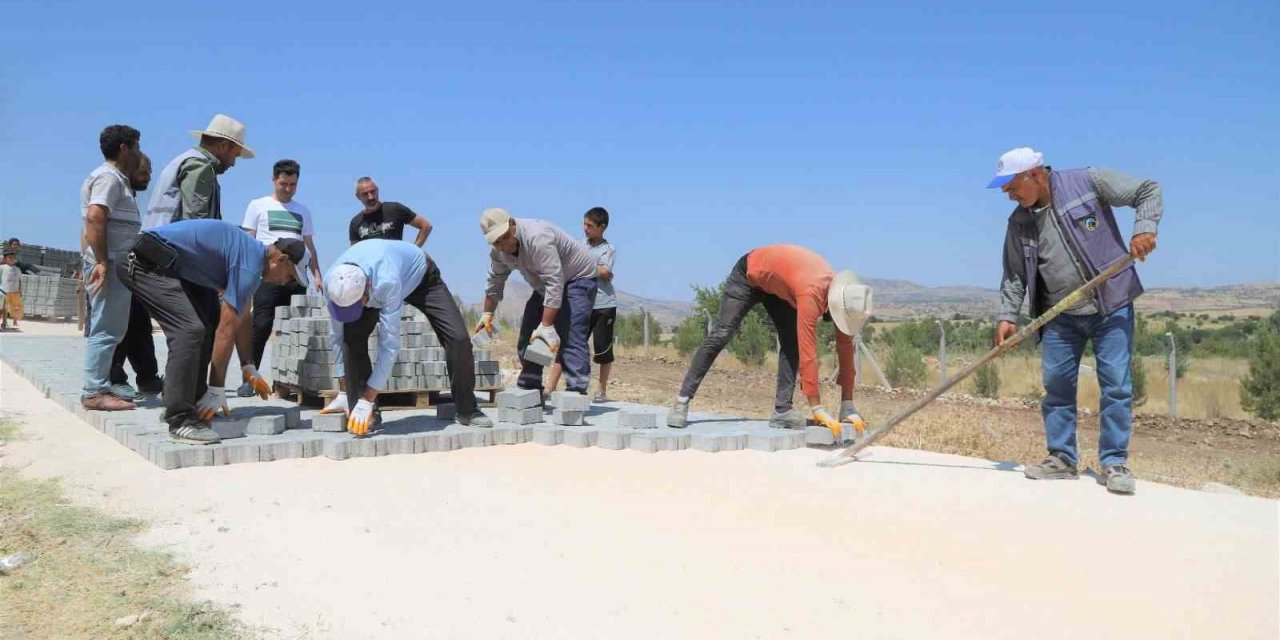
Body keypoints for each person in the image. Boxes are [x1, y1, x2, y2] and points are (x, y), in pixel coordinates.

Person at [988, 147, 1161, 496]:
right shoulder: (1019, 222)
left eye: (1013, 187)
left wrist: (1144, 229)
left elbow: (1148, 189)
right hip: (1059, 316)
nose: (1010, 195)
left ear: (1035, 174)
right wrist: (1008, 315)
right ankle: (1062, 459)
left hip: (1111, 305)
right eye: (1006, 191)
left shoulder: (1087, 182)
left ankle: (1114, 462)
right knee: (1057, 389)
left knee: (1116, 386)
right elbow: (1014, 275)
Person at [117, 219, 306, 444]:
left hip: (167, 265)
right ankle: (180, 419)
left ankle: (194, 403)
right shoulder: (249, 264)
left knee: (206, 324)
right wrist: (217, 389)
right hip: (142, 261)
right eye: (290, 276)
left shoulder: (251, 259)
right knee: (189, 330)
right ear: (280, 260)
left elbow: (242, 317)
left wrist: (248, 366)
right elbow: (226, 331)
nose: (286, 283)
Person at [666, 245, 872, 440]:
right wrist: (816, 408)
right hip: (749, 274)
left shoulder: (845, 298)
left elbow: (845, 349)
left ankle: (782, 412)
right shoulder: (811, 293)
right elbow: (808, 351)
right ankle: (682, 401)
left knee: (789, 344)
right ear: (834, 303)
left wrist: (848, 403)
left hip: (781, 287)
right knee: (721, 334)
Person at [322, 240, 493, 434]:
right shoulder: (332, 283)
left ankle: (467, 410)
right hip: (377, 284)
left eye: (356, 305)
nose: (354, 310)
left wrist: (368, 397)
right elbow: (336, 334)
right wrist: (344, 388)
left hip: (421, 277)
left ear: (367, 287)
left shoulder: (387, 281)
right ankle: (364, 415)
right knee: (350, 339)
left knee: (459, 339)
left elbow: (389, 346)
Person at [477, 208, 599, 396]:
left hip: (578, 278)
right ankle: (530, 386)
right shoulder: (498, 253)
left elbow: (555, 281)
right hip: (546, 284)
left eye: (503, 237)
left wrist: (547, 325)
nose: (502, 245)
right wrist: (487, 314)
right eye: (495, 242)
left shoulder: (538, 237)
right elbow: (495, 282)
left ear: (512, 225)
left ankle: (576, 394)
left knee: (570, 332)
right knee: (530, 331)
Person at [237, 159, 323, 397]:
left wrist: (317, 274)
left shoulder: (303, 211)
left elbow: (309, 246)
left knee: (294, 329)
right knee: (262, 324)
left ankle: (288, 380)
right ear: (273, 180)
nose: (288, 189)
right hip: (268, 275)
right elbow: (248, 241)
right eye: (283, 183)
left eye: (293, 184)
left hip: (297, 277)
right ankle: (249, 378)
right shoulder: (258, 206)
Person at [80, 124, 144, 411]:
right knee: (106, 329)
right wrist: (104, 261)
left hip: (115, 263)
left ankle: (98, 387)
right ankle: (94, 392)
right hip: (110, 264)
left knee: (109, 328)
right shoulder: (109, 178)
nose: (140, 154)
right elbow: (95, 218)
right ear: (124, 148)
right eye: (137, 147)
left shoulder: (114, 178)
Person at [546, 207, 617, 401]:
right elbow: (599, 271)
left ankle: (601, 391)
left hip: (602, 305)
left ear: (602, 228)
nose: (585, 229)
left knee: (603, 349)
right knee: (569, 344)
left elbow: (605, 272)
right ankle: (549, 388)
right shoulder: (578, 245)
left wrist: (585, 267)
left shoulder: (608, 249)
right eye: (584, 224)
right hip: (579, 303)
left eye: (590, 226)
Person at [109, 153, 163, 400]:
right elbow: (91, 224)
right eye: (145, 171)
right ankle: (114, 379)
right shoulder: (113, 189)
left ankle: (148, 379)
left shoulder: (130, 197)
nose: (149, 176)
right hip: (112, 270)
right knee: (116, 328)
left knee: (140, 326)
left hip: (132, 271)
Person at [144, 114, 253, 229]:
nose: (233, 163)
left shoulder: (187, 160)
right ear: (224, 146)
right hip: (169, 245)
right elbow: (196, 224)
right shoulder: (200, 166)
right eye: (234, 155)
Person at [347, 177, 432, 245]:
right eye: (365, 194)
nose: (371, 197)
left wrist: (414, 251)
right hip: (371, 266)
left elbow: (426, 226)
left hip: (395, 264)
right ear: (358, 196)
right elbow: (354, 251)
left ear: (377, 190)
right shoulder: (356, 222)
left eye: (373, 192)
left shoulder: (395, 209)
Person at [0, 252, 20, 330]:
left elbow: (18, 281)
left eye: (13, 258)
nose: (12, 259)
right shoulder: (2, 267)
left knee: (4, 308)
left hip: (8, 292)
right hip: (2, 291)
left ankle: (4, 323)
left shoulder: (16, 269)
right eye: (10, 257)